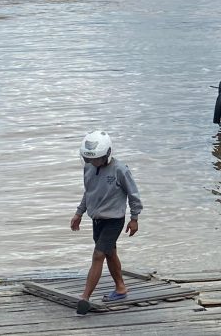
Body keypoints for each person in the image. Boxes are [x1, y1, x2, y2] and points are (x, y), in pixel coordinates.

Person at [70, 131, 143, 315]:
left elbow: (134, 195)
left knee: (98, 255)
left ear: (108, 154)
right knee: (110, 253)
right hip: (97, 220)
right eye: (87, 159)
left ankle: (84, 298)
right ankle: (120, 288)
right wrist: (79, 212)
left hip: (114, 220)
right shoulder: (88, 168)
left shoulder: (120, 170)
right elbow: (88, 192)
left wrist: (134, 219)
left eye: (96, 159)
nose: (92, 163)